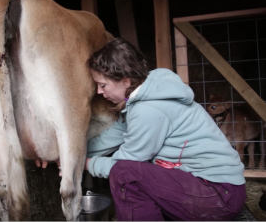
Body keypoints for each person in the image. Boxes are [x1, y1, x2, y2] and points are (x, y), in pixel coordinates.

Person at [85, 37, 246, 221]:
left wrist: (86, 164)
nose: (98, 91)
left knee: (125, 174)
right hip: (215, 189)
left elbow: (126, 163)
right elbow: (112, 136)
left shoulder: (148, 110)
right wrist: (72, 154)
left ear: (126, 81)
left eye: (102, 85)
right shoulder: (143, 97)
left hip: (216, 194)